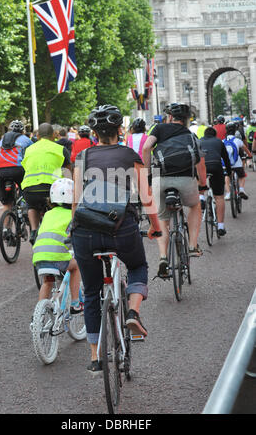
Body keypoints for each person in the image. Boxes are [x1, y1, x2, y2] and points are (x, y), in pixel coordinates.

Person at [71, 104, 161, 373]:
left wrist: (73, 230)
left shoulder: (83, 156)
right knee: (137, 267)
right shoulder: (129, 155)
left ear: (94, 133)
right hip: (121, 228)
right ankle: (132, 313)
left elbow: (76, 200)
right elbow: (146, 197)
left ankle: (95, 357)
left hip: (85, 230)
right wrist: (156, 227)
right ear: (120, 130)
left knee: (90, 292)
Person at [142, 103, 207, 278]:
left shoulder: (159, 128)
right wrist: (203, 184)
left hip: (160, 178)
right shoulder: (190, 135)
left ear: (170, 117)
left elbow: (146, 148)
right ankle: (193, 245)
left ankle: (163, 257)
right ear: (186, 120)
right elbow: (200, 163)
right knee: (194, 206)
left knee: (162, 219)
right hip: (186, 179)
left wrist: (147, 175)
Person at [32, 178, 82, 311]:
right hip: (58, 257)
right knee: (75, 267)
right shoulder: (74, 214)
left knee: (48, 282)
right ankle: (75, 303)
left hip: (38, 257)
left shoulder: (48, 214)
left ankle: (38, 313)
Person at [21, 122, 71, 245]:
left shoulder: (28, 149)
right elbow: (69, 172)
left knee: (31, 206)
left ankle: (33, 230)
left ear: (37, 136)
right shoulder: (60, 149)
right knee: (55, 209)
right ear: (54, 135)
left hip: (29, 188)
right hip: (51, 190)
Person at [0, 120, 33, 215]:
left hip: (1, 169)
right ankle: (25, 207)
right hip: (17, 169)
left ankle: (5, 228)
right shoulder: (26, 139)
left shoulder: (2, 140)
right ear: (22, 130)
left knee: (7, 203)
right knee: (26, 189)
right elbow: (33, 154)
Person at [199, 127, 232, 236]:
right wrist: (228, 172)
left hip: (202, 166)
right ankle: (221, 226)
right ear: (215, 135)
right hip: (216, 166)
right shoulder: (219, 141)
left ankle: (201, 197)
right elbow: (226, 158)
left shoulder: (199, 141)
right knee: (219, 197)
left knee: (200, 182)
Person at [224, 122, 252, 200]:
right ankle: (241, 190)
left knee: (227, 176)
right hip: (237, 164)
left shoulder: (223, 141)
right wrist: (250, 156)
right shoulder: (237, 140)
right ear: (235, 131)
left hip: (227, 165)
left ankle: (228, 193)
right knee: (242, 176)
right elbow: (246, 150)